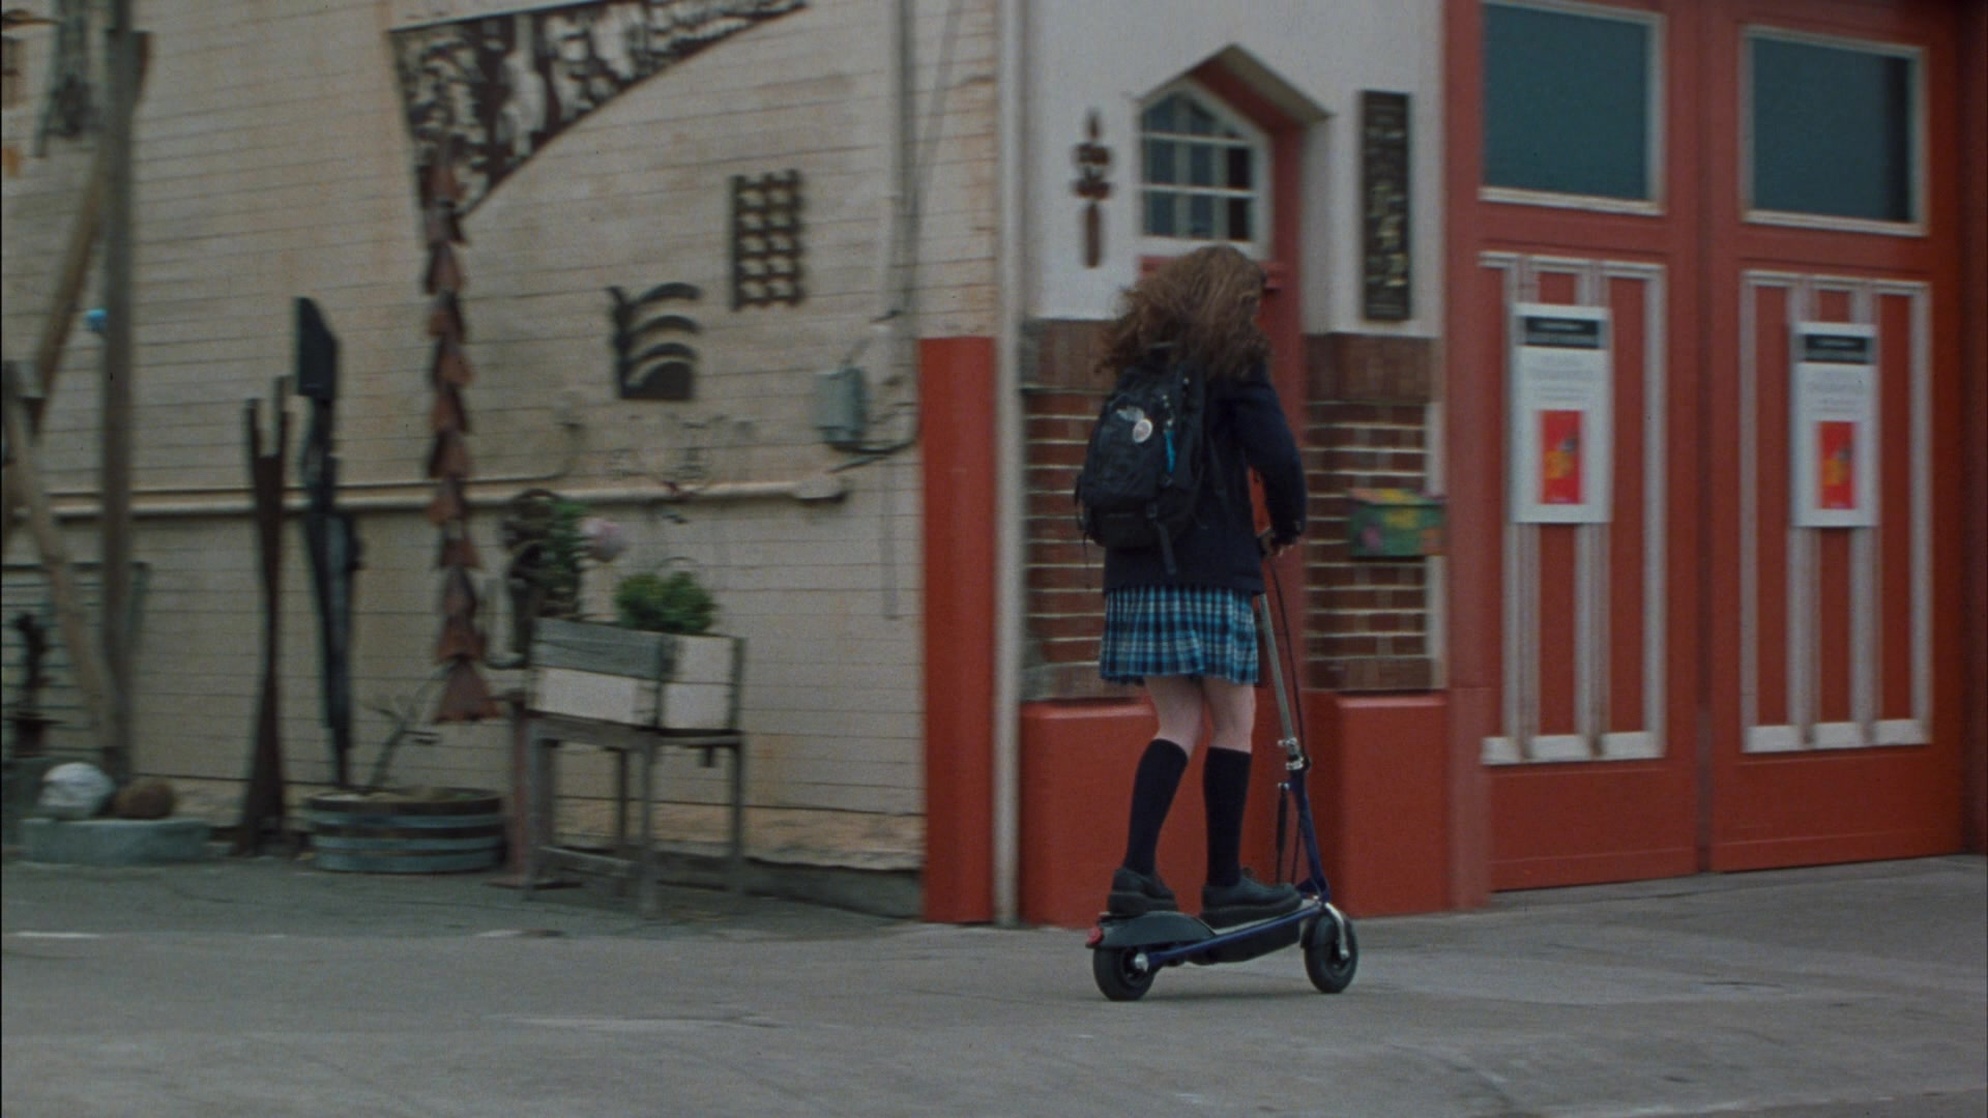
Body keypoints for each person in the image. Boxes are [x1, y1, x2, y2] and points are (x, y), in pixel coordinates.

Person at [1094, 244, 1307, 928]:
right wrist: (1287, 523)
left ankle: (1135, 873)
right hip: (1209, 567)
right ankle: (1224, 882)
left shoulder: (1141, 361)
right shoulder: (1232, 360)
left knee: (1178, 722)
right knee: (1235, 721)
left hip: (1136, 566)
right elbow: (1278, 457)